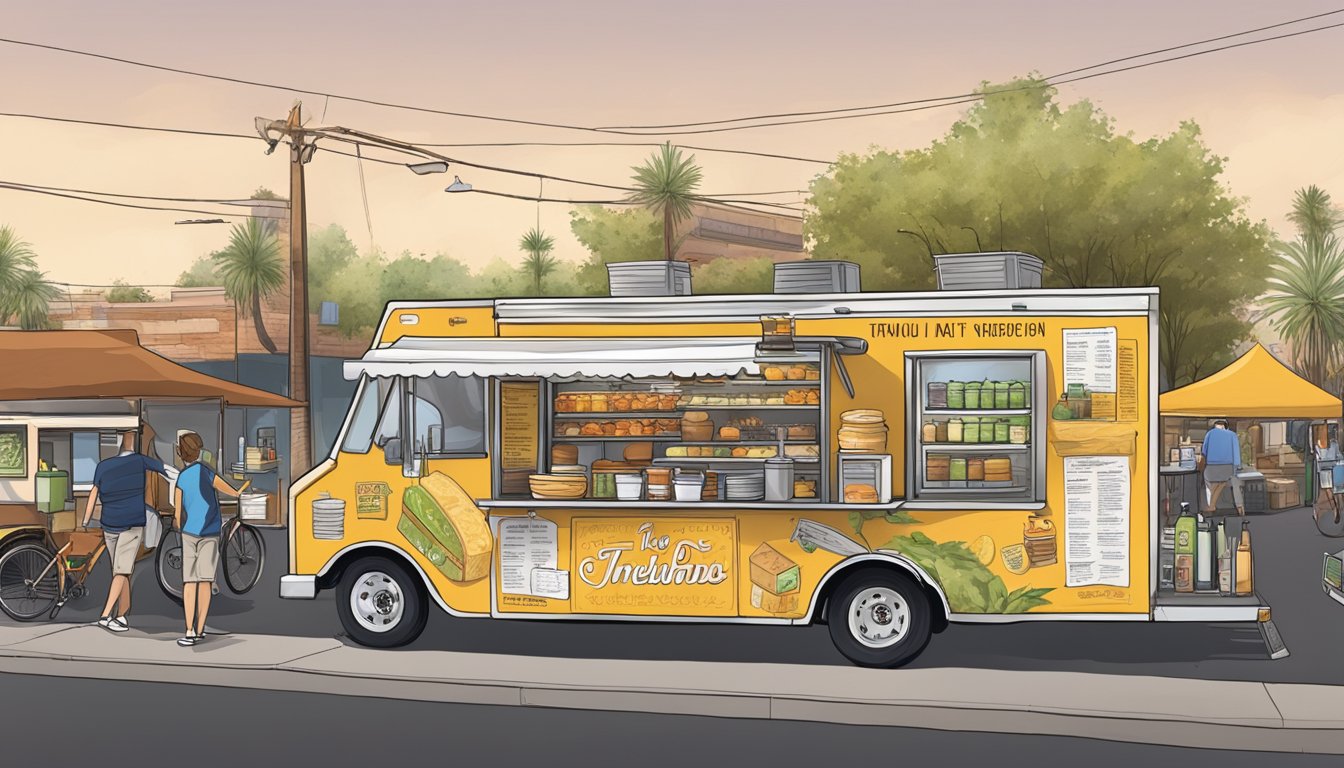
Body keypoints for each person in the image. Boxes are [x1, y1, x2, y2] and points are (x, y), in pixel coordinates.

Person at [81, 430, 174, 634]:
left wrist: (86, 520)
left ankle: (122, 615)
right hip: (131, 523)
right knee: (122, 571)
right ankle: (106, 615)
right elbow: (168, 471)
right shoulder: (140, 461)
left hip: (109, 525)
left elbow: (93, 493)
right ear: (134, 445)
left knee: (121, 570)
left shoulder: (103, 466)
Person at [173, 432, 247, 647]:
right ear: (199, 452)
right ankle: (200, 629)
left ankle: (187, 631)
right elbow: (231, 492)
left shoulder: (181, 478)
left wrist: (179, 526)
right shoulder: (206, 472)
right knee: (205, 580)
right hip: (210, 532)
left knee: (189, 581)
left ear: (180, 453)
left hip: (188, 533)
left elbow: (177, 514)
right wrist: (239, 490)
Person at [1201, 419, 1243, 516]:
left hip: (1211, 468)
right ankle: (1212, 505)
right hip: (1227, 468)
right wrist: (1236, 468)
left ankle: (1211, 505)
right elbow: (1236, 454)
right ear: (1225, 425)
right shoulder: (1232, 435)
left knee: (1212, 484)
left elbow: (1204, 451)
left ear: (1214, 425)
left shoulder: (1209, 434)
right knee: (1222, 482)